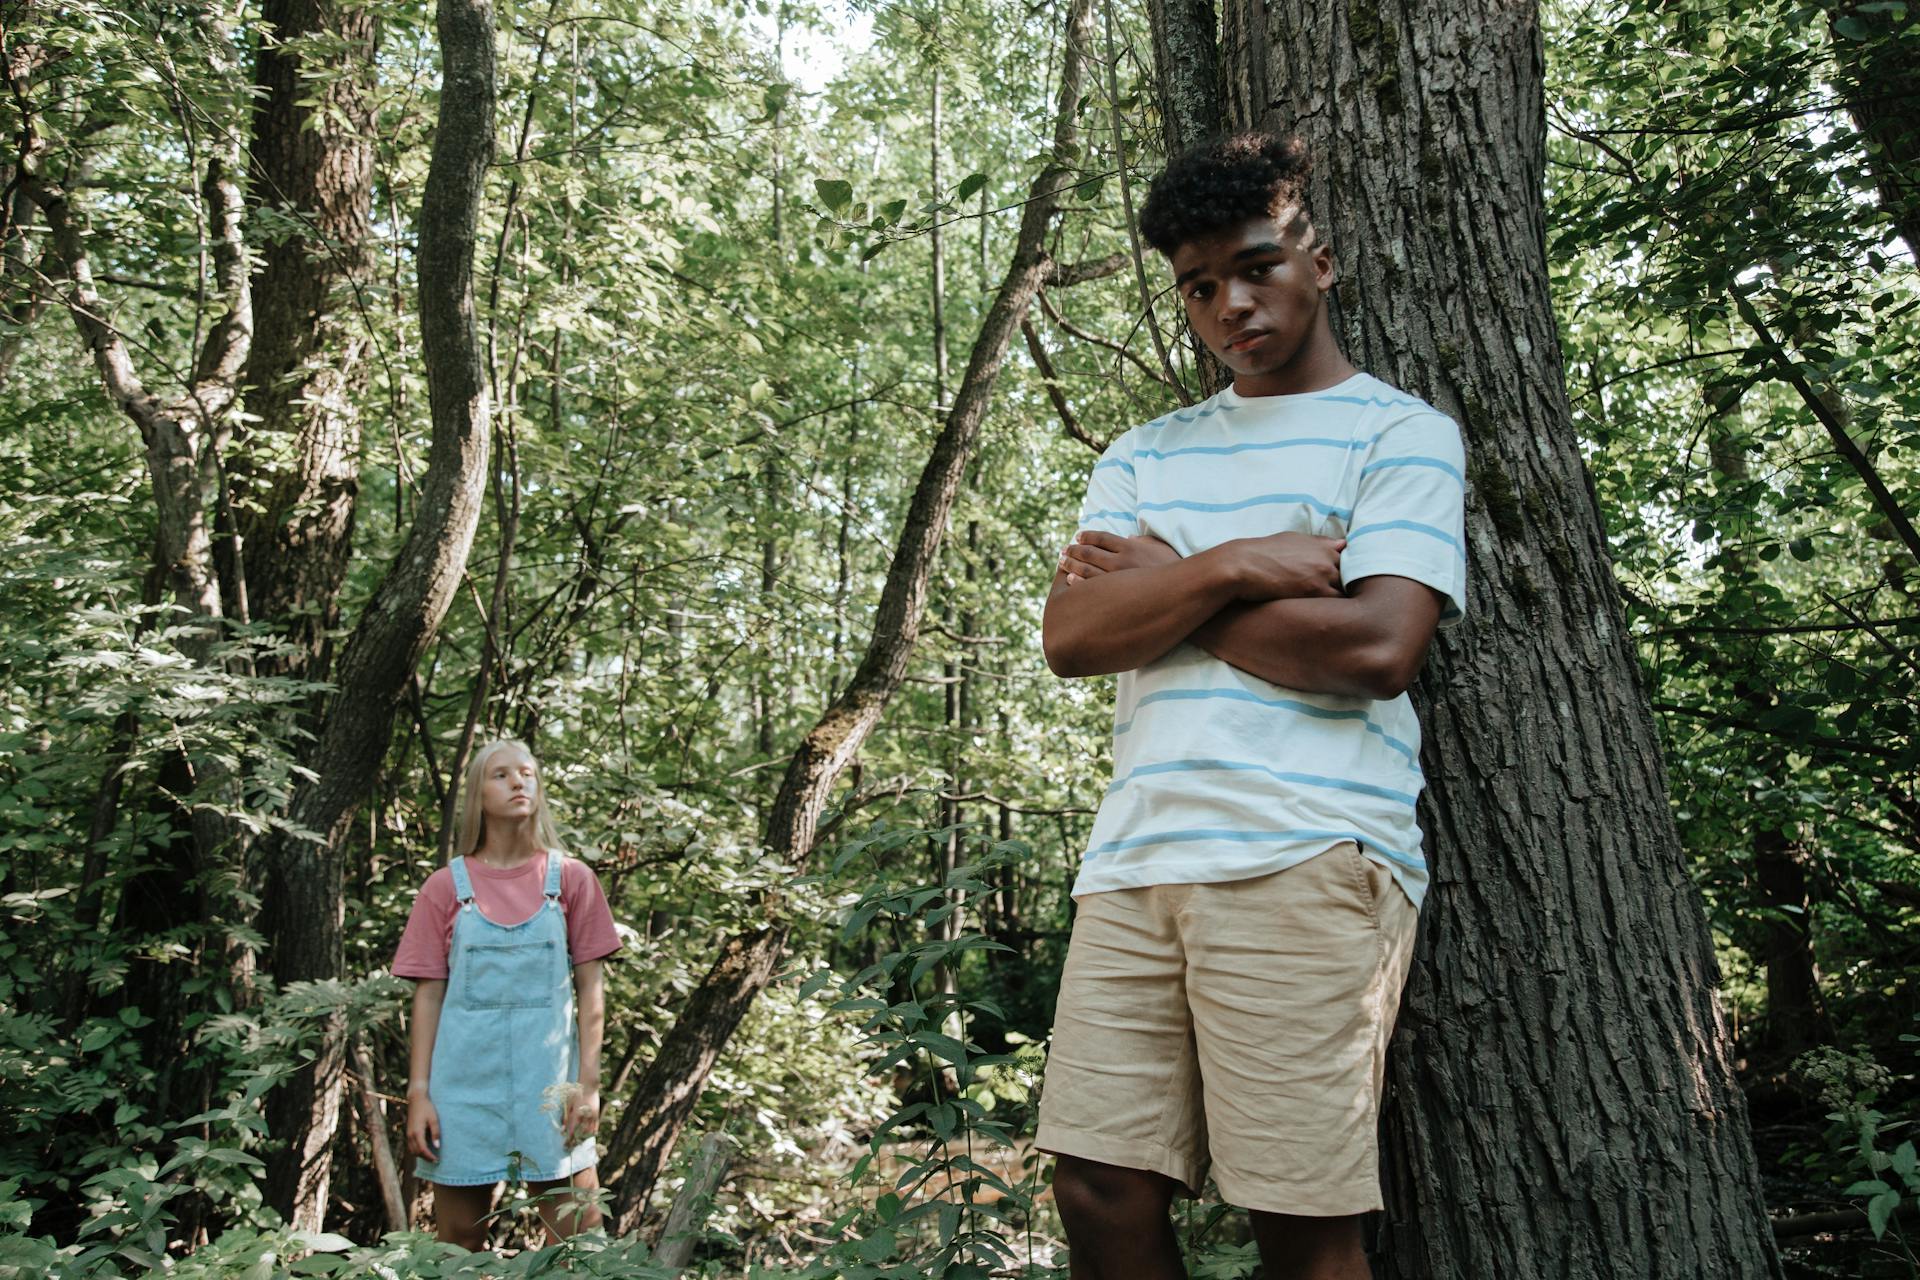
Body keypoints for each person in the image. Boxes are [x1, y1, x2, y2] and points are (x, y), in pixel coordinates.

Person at [1035, 132, 1468, 1280]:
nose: (1230, 301)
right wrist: (1234, 567)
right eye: (1198, 284)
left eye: (1257, 265)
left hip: (1309, 849)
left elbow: (1376, 647)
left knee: (1299, 1216)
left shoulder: (1401, 433)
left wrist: (1162, 583)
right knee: (1096, 1182)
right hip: (1135, 858)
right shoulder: (1146, 450)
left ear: (1320, 260)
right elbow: (1073, 635)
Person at [392, 738, 623, 1249]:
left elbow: (592, 991)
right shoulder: (444, 888)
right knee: (456, 1245)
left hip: (551, 1095)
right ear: (477, 794)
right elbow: (427, 998)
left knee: (578, 1242)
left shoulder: (572, 880)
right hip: (461, 1094)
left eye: (528, 772)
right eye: (502, 774)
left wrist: (587, 1085)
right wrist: (419, 1094)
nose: (519, 781)